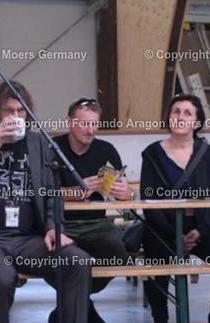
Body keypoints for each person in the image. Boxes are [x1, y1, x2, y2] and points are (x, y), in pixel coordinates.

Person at [0, 81, 92, 323]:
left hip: (29, 239)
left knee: (79, 262)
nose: (15, 117)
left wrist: (52, 227)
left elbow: (52, 191)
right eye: (8, 111)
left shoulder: (39, 143)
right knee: (3, 277)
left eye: (21, 111)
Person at [140, 94, 210, 323]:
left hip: (201, 226)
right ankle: (160, 319)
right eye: (176, 111)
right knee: (153, 266)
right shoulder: (152, 153)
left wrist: (201, 229)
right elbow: (148, 201)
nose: (180, 117)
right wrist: (172, 234)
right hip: (163, 226)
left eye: (187, 113)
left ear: (197, 121)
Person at [52, 97, 134, 323]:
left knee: (118, 252)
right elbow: (40, 193)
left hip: (97, 224)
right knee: (59, 258)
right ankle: (81, 307)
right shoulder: (52, 148)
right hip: (59, 223)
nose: (90, 130)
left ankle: (75, 302)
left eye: (94, 124)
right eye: (84, 124)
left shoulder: (106, 150)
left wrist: (126, 193)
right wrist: (76, 192)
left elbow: (126, 194)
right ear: (69, 122)